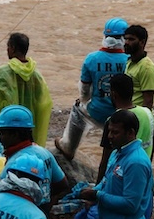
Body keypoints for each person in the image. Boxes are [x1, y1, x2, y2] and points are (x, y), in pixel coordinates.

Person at [55, 17, 129, 160]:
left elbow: (84, 90)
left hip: (97, 112)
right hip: (122, 115)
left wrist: (85, 101)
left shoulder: (92, 58)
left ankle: (68, 147)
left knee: (77, 108)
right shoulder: (129, 60)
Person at [0, 32, 53, 147]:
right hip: (28, 128)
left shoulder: (2, 73)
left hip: (8, 129)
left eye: (8, 47)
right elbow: (44, 104)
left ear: (12, 48)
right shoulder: (37, 75)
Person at [124, 25, 154, 109]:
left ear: (142, 42)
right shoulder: (129, 62)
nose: (126, 42)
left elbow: (148, 101)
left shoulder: (146, 67)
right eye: (125, 39)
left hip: (138, 117)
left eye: (131, 39)